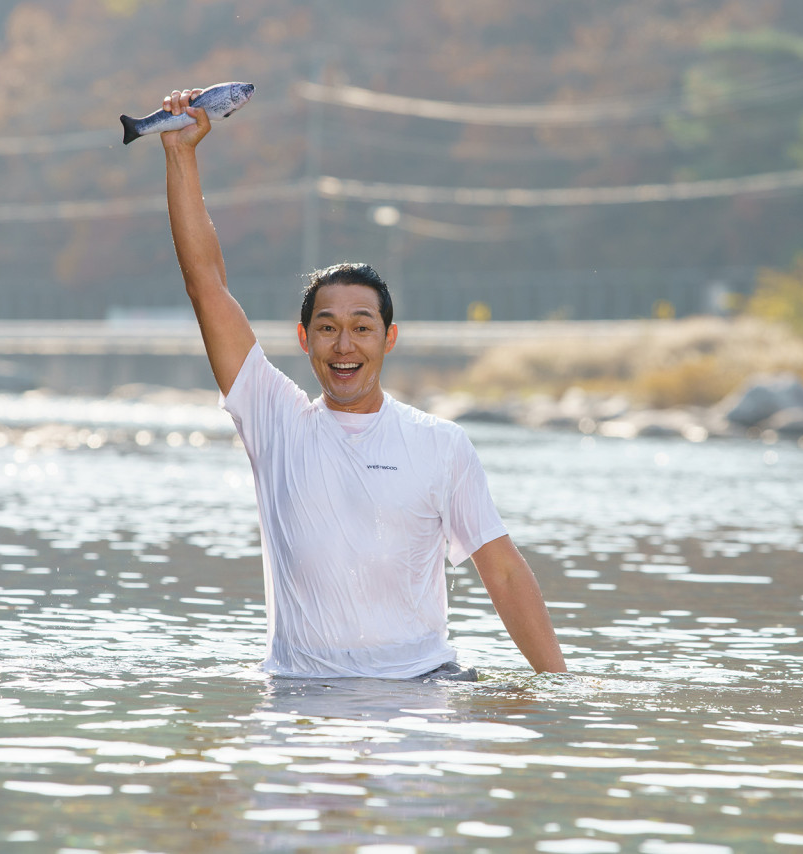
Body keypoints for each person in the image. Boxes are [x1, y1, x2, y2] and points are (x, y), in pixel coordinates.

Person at [159, 88, 566, 679]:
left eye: (361, 327)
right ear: (304, 340)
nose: (344, 345)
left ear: (388, 338)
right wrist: (180, 154)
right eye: (326, 328)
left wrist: (561, 695)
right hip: (303, 695)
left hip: (420, 694)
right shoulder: (275, 419)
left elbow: (501, 570)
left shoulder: (441, 444)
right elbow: (206, 285)